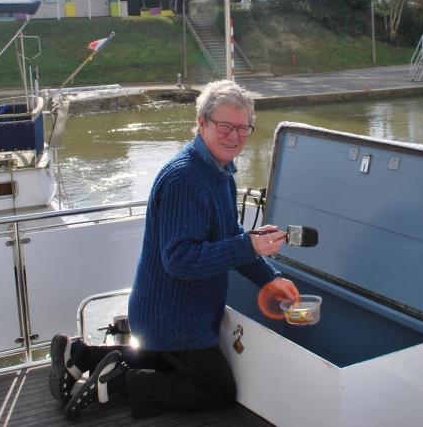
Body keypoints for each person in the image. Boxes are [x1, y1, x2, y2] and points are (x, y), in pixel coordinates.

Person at [49, 79, 299, 421]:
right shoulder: (186, 180)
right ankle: (120, 384)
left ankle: (81, 357)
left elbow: (230, 237)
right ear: (201, 123)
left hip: (166, 315)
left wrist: (269, 278)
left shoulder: (219, 170)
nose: (235, 136)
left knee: (163, 362)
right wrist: (250, 245)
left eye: (243, 128)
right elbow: (180, 261)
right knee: (217, 389)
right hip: (174, 319)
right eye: (225, 126)